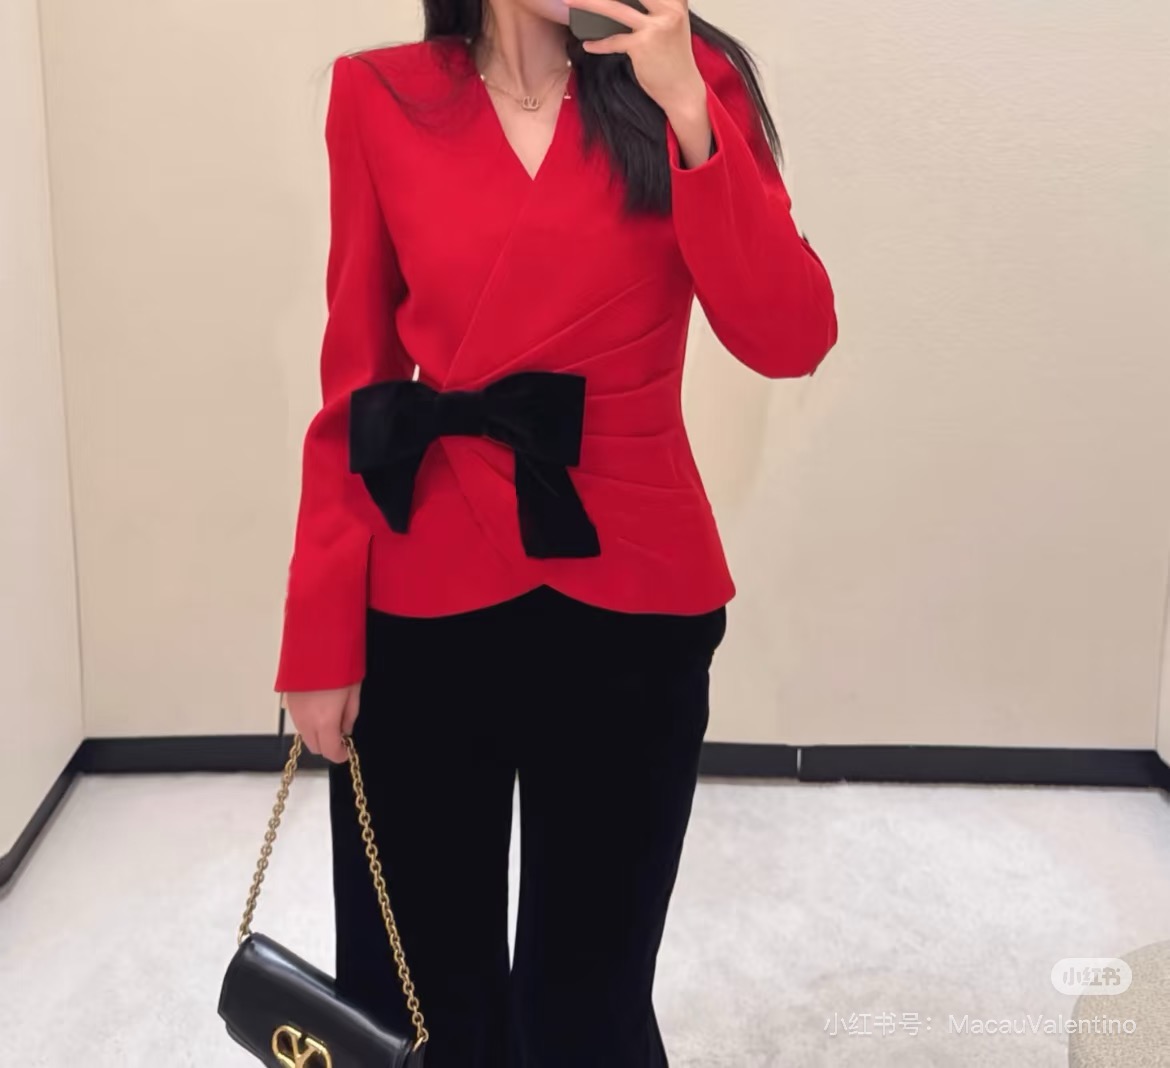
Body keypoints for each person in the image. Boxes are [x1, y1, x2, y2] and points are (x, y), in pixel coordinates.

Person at [276, 0, 837, 1064]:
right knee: (418, 998)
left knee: (588, 1002)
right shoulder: (380, 94)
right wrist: (319, 635)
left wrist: (689, 110)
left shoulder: (688, 81)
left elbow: (790, 335)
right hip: (427, 593)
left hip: (633, 590)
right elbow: (357, 384)